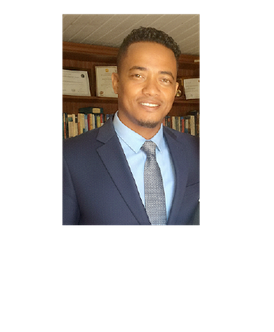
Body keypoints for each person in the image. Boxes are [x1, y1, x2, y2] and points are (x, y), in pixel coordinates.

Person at [62, 27, 200, 226]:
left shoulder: (195, 149)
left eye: (164, 80)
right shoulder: (70, 157)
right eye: (138, 76)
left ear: (175, 90)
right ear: (116, 82)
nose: (152, 90)